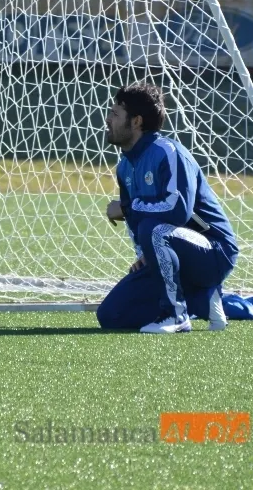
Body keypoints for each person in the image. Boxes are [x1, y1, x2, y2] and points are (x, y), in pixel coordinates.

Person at [96, 82, 240, 333]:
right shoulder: (124, 167)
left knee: (154, 228)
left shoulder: (168, 152)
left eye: (115, 114)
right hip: (163, 246)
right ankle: (201, 299)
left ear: (137, 121)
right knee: (111, 316)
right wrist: (144, 253)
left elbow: (178, 209)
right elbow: (136, 224)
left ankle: (175, 315)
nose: (108, 120)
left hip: (213, 251)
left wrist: (127, 209)